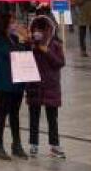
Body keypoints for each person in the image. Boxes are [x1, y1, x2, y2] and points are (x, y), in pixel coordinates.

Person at [0, 10, 30, 161]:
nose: (14, 24)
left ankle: (16, 144)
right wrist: (23, 42)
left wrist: (26, 41)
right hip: (5, 81)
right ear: (4, 23)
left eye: (15, 21)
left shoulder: (13, 38)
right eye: (12, 21)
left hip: (18, 81)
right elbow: (11, 53)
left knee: (15, 113)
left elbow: (26, 53)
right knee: (2, 113)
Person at [25, 14, 66, 159]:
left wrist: (46, 51)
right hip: (34, 85)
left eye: (41, 30)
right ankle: (33, 144)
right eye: (35, 30)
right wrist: (28, 44)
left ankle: (54, 145)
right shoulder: (30, 46)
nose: (38, 33)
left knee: (52, 117)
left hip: (51, 86)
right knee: (34, 116)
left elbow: (60, 62)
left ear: (49, 30)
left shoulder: (55, 45)